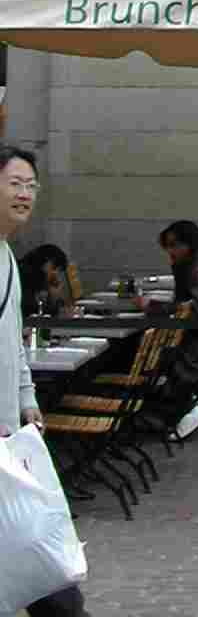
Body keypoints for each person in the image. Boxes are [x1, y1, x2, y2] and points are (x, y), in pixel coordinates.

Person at [0, 144, 91, 615]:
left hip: (7, 439)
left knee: (36, 563)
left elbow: (12, 338)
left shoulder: (8, 258)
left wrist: (26, 396)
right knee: (42, 573)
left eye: (31, 186)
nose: (24, 194)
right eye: (14, 183)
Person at [143, 220, 198, 416]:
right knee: (149, 347)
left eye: (175, 245)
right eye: (168, 246)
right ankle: (156, 403)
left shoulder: (197, 270)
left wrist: (152, 306)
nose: (170, 251)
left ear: (190, 245)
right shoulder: (192, 265)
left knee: (147, 350)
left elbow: (194, 309)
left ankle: (160, 406)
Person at [18, 243, 72, 319]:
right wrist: (55, 307)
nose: (55, 274)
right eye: (54, 268)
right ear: (45, 261)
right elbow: (30, 309)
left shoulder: (37, 277)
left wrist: (54, 299)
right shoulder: (23, 275)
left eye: (58, 271)